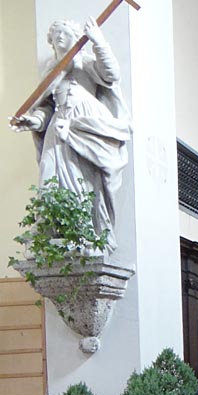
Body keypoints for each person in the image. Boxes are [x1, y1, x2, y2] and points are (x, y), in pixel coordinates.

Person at [9, 18, 131, 250]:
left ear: (75, 37)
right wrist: (35, 121)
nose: (59, 37)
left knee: (82, 177)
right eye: (55, 34)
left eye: (64, 32)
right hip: (58, 125)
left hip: (84, 124)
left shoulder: (84, 61)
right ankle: (51, 230)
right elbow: (46, 106)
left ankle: (84, 231)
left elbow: (111, 75)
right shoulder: (51, 72)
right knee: (49, 171)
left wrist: (99, 42)